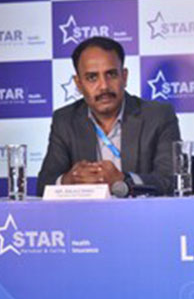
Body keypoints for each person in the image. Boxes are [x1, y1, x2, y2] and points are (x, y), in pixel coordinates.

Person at [37, 37, 181, 196]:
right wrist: (68, 180)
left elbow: (172, 182)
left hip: (141, 216)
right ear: (78, 84)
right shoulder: (65, 120)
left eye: (111, 74)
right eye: (92, 77)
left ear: (124, 77)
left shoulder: (158, 116)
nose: (104, 86)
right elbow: (43, 185)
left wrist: (123, 179)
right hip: (86, 217)